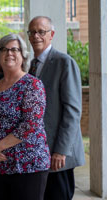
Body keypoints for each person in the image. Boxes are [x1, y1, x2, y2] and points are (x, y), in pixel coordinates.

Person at [0, 33, 51, 200]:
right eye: (4, 49)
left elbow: (30, 125)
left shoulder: (32, 85)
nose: (9, 53)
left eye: (15, 49)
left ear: (23, 55)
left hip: (27, 166)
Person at [27, 16, 85, 200]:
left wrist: (61, 150)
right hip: (38, 152)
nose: (36, 36)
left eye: (41, 32)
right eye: (32, 32)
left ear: (51, 35)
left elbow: (72, 110)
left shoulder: (64, 62)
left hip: (58, 155)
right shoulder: (30, 67)